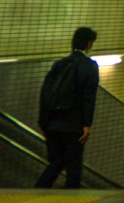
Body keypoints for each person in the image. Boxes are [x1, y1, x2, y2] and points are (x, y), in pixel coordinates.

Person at [37, 27, 100, 189]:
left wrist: (43, 123)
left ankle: (36, 192)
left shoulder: (58, 64)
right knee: (73, 166)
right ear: (88, 44)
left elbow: (45, 94)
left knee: (56, 162)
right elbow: (88, 98)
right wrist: (87, 124)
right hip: (73, 125)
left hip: (52, 124)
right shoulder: (90, 66)